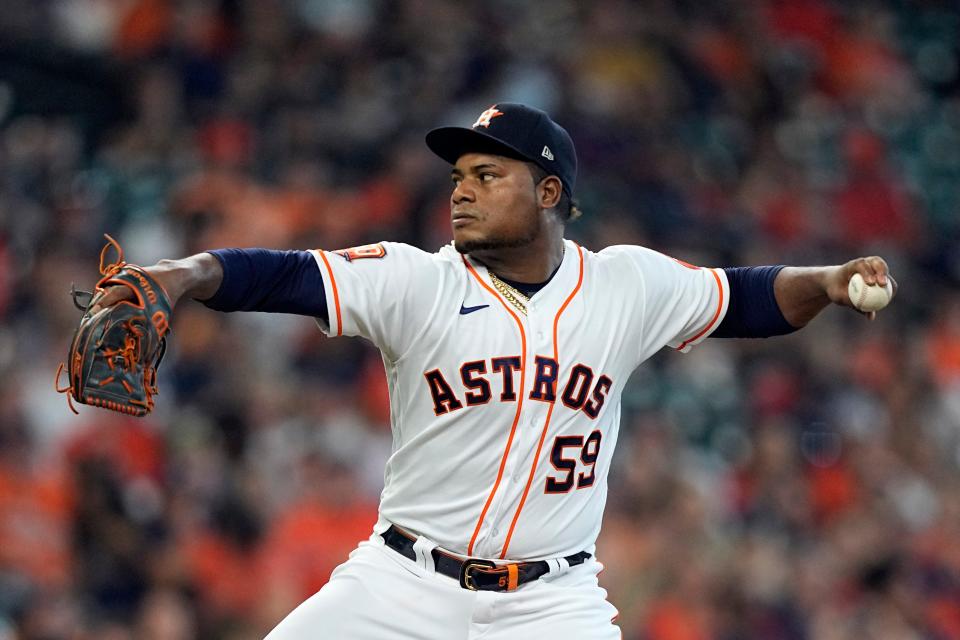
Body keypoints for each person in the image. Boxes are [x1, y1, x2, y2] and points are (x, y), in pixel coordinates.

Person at [92, 103, 896, 639]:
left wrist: (825, 283)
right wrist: (183, 275)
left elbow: (747, 299)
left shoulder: (624, 285)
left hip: (552, 604)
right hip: (402, 585)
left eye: (487, 177)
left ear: (549, 191)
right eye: (457, 179)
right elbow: (285, 274)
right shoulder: (421, 281)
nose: (462, 194)